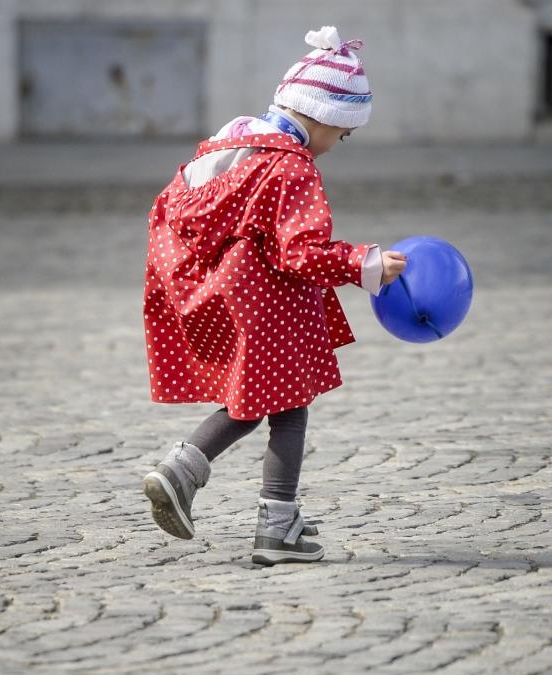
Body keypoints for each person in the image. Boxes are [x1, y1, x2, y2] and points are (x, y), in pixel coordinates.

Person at [141, 26, 407, 565]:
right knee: (288, 408)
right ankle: (273, 526)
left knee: (255, 401)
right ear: (326, 115)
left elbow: (170, 214)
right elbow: (301, 252)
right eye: (344, 134)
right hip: (270, 303)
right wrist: (364, 263)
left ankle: (184, 470)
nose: (338, 146)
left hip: (221, 291)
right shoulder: (291, 166)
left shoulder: (231, 144)